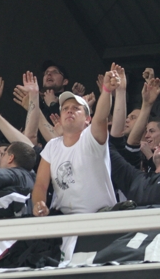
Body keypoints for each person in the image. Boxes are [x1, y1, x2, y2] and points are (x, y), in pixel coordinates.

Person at [32, 65, 121, 216]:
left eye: (76, 108)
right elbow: (40, 184)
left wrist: (106, 91)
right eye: (65, 108)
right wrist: (39, 204)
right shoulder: (52, 146)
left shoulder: (91, 138)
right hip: (64, 222)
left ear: (87, 119)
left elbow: (101, 117)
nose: (69, 110)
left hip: (98, 219)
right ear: (60, 117)